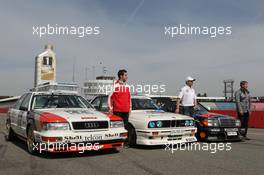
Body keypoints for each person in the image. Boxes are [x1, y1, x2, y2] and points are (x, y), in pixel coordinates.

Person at [108, 69, 131, 145]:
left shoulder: (128, 86)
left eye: (126, 75)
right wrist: (110, 109)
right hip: (117, 110)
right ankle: (116, 142)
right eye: (125, 75)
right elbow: (110, 97)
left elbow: (129, 98)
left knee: (126, 127)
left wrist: (130, 108)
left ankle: (126, 143)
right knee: (117, 128)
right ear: (121, 76)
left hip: (126, 110)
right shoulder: (115, 85)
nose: (127, 77)